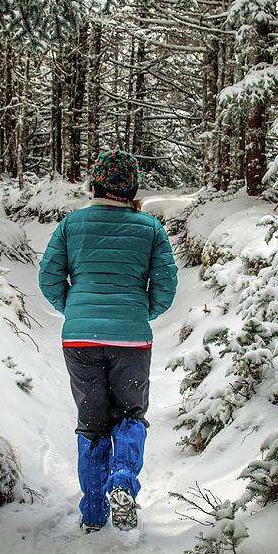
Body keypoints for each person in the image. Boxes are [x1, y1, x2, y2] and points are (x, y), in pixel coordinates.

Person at [38, 150, 178, 533]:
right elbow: (165, 287)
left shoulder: (71, 224)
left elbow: (48, 278)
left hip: (79, 339)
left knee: (92, 422)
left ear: (94, 185)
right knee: (131, 414)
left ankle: (94, 515)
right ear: (131, 188)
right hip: (131, 339)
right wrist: (137, 313)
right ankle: (122, 481)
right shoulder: (150, 228)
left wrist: (75, 308)